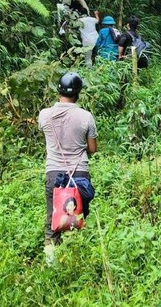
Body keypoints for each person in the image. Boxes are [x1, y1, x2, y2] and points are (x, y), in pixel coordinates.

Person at [38, 72, 97, 265]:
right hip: (79, 175)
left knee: (52, 220)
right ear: (78, 93)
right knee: (77, 218)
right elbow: (93, 149)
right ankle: (76, 260)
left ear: (59, 91)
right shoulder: (86, 117)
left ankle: (51, 264)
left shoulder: (44, 115)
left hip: (53, 173)